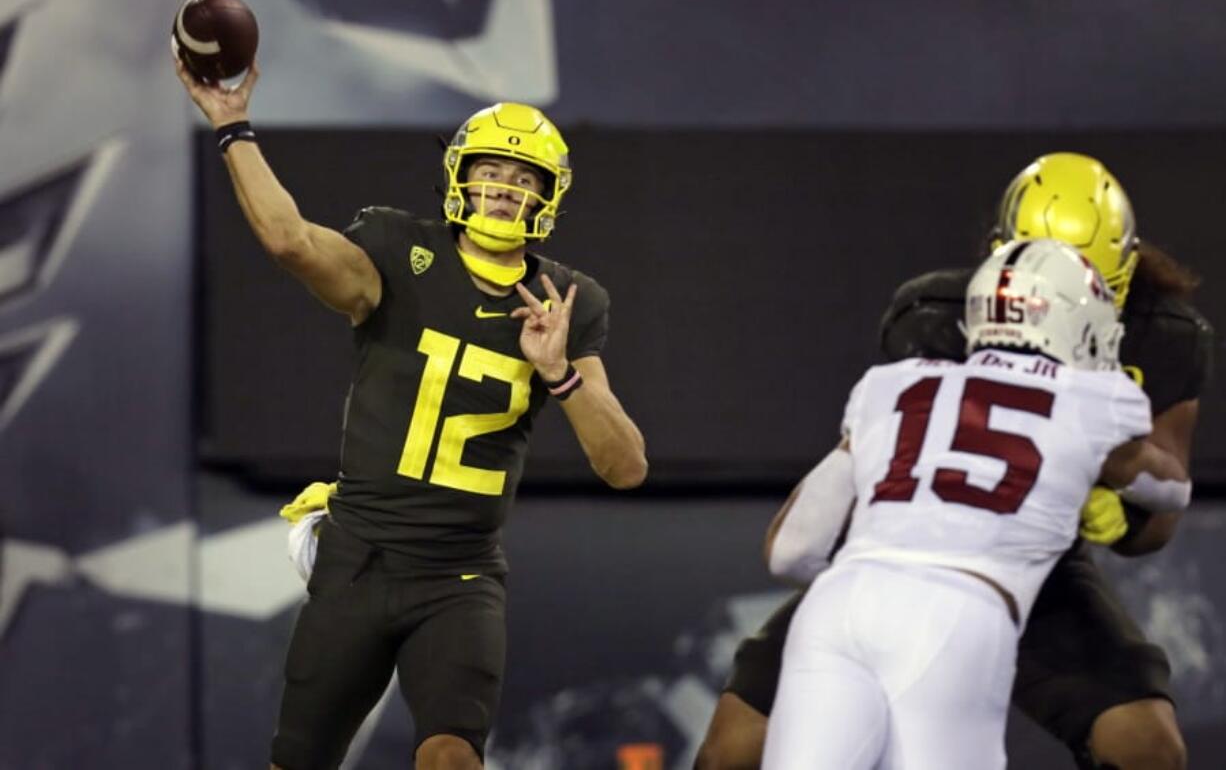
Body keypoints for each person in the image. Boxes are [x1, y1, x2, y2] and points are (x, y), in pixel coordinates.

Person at [174, 59, 648, 770]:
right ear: (460, 175)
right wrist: (231, 124)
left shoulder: (567, 300)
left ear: (548, 199)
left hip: (459, 576)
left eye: (524, 179)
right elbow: (289, 241)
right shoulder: (400, 251)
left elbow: (625, 467)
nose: (503, 189)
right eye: (492, 169)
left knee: (452, 758)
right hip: (360, 558)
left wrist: (560, 375)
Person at [697, 152, 1211, 770]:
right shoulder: (937, 327)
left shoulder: (1162, 337)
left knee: (1147, 747)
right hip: (919, 556)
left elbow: (788, 550)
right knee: (734, 749)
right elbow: (1169, 487)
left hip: (1026, 559)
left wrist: (1118, 511)